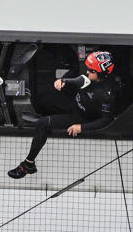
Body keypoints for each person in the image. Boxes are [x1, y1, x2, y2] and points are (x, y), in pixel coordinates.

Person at [8, 50, 119, 178]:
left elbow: (106, 120)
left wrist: (81, 127)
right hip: (74, 103)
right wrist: (63, 80)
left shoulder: (107, 95)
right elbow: (78, 76)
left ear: (102, 73)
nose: (87, 72)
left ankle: (28, 165)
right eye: (88, 69)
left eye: (91, 71)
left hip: (80, 117)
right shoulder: (91, 77)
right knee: (44, 98)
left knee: (42, 123)